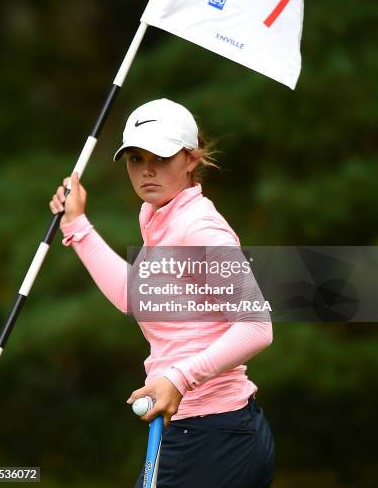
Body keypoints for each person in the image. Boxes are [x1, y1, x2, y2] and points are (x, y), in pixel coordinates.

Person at [49, 98, 275, 487]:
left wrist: (178, 378)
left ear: (190, 159)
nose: (147, 170)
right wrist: (77, 225)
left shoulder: (199, 228)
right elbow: (135, 298)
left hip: (218, 436)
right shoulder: (160, 219)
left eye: (161, 157)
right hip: (191, 431)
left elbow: (256, 327)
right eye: (136, 158)